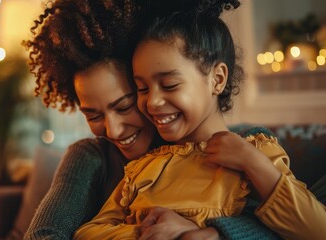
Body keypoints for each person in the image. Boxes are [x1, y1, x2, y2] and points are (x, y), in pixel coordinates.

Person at [23, 0, 286, 239]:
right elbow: (44, 234)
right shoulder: (90, 156)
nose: (113, 130)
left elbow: (286, 223)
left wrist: (212, 234)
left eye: (125, 106)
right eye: (93, 114)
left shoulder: (243, 146)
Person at [74, 1, 326, 240]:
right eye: (142, 89)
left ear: (217, 79)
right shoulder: (142, 168)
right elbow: (87, 232)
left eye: (169, 84)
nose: (152, 102)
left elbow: (318, 230)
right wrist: (149, 232)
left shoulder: (255, 151)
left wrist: (253, 163)